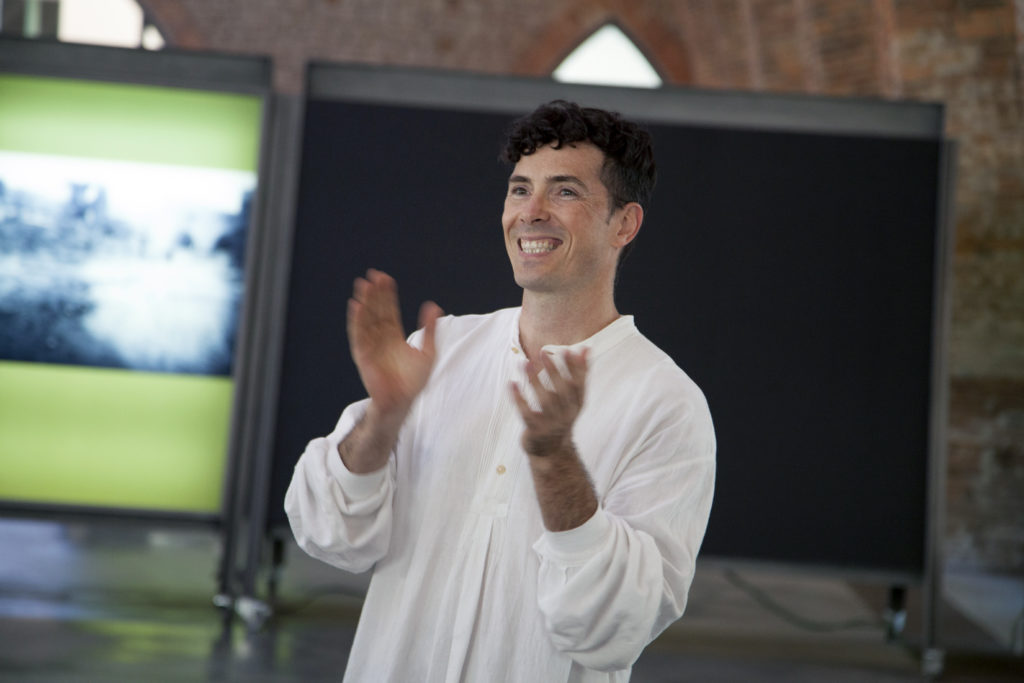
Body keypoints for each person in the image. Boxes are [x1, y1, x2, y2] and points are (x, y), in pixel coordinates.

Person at [284, 100, 716, 682]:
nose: (531, 212)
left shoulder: (667, 404)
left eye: (565, 191)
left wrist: (555, 458)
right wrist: (383, 417)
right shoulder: (440, 350)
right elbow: (329, 532)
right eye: (519, 190)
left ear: (624, 223)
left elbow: (614, 627)